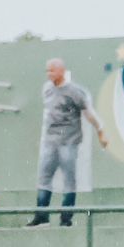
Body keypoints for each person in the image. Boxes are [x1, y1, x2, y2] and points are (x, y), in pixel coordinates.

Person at [26, 57, 107, 228]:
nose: (49, 74)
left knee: (69, 180)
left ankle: (66, 219)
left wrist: (100, 130)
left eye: (52, 70)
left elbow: (88, 113)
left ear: (61, 71)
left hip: (68, 142)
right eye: (47, 70)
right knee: (44, 177)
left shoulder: (74, 92)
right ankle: (41, 216)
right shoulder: (47, 89)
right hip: (50, 141)